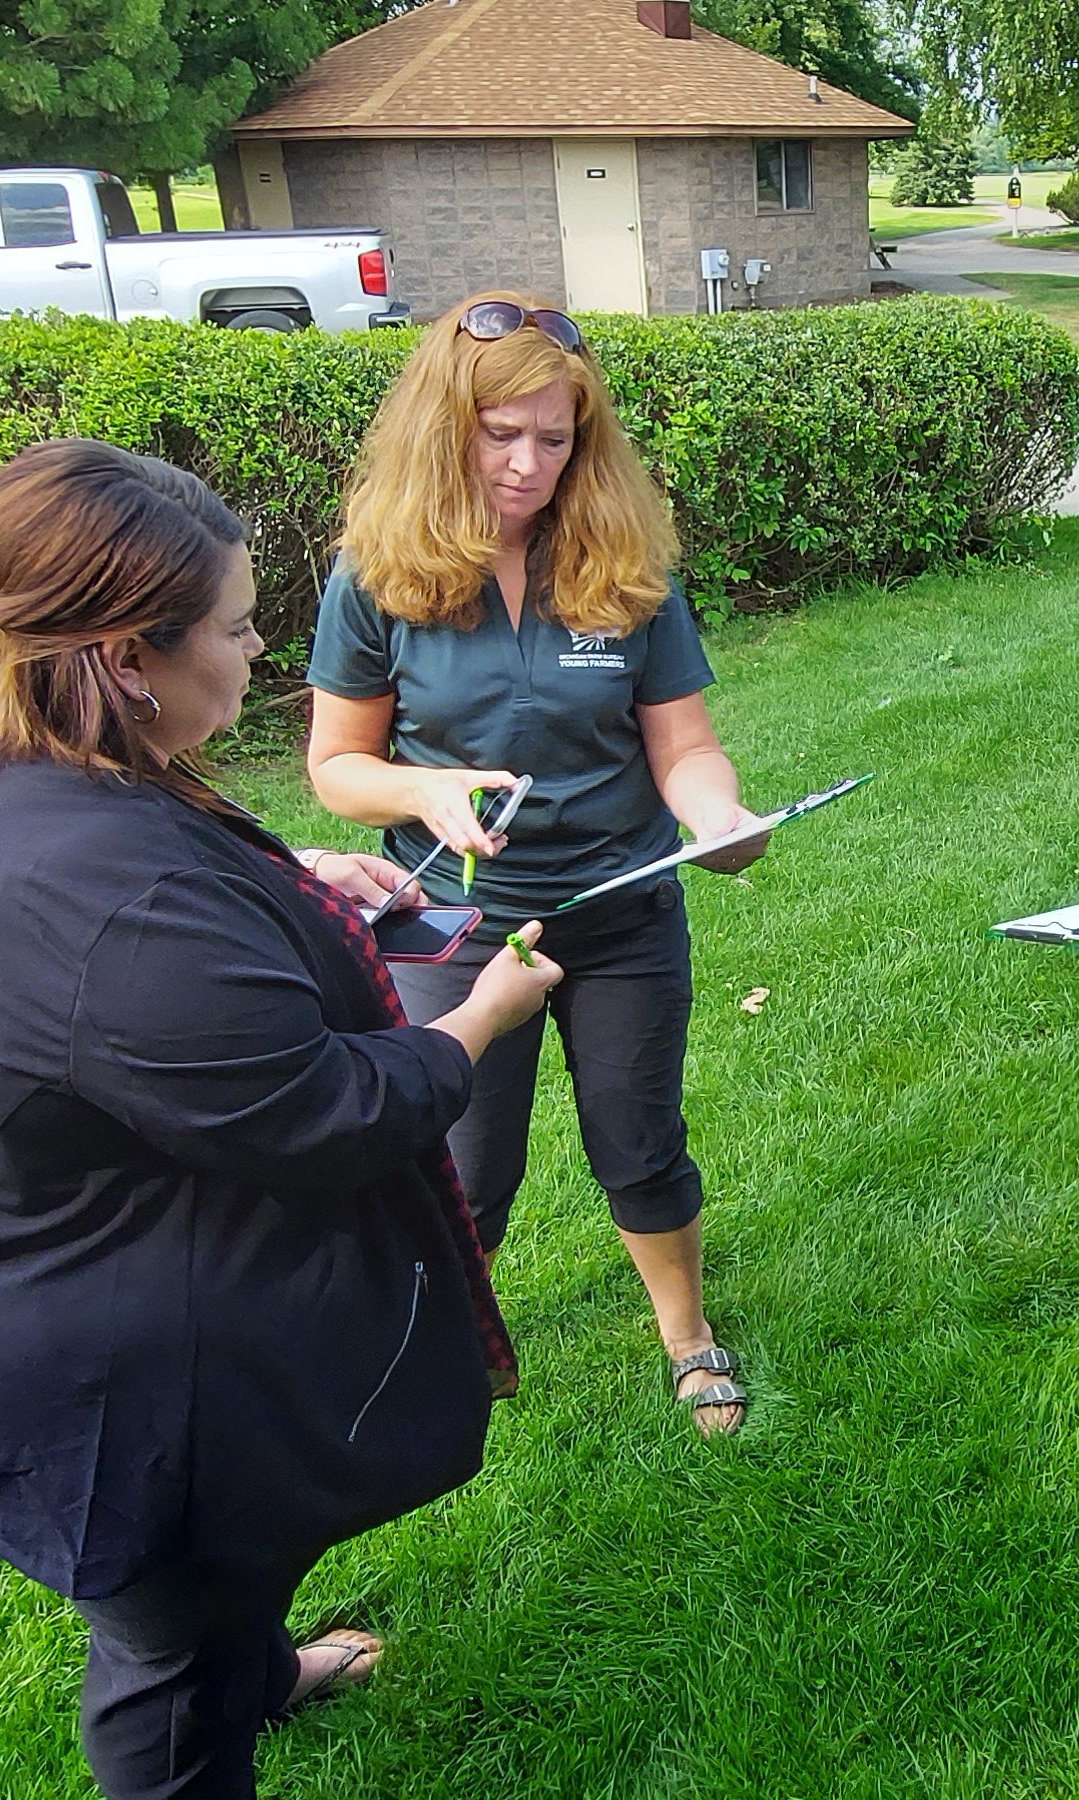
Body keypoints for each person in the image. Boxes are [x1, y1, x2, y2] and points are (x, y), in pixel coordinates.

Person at [0, 439, 563, 1800]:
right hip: (94, 1376)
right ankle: (208, 1694)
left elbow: (118, 947)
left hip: (30, 1280)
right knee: (164, 1666)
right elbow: (328, 1113)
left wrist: (292, 878)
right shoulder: (105, 889)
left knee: (208, 1606)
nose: (255, 655)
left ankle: (255, 1661)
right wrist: (481, 1017)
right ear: (126, 654)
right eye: (236, 630)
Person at [306, 293, 766, 1436]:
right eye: (498, 434)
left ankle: (687, 1337)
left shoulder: (619, 566)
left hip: (617, 910)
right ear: (442, 428)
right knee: (461, 1169)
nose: (526, 464)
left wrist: (717, 818)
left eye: (553, 439)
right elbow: (337, 766)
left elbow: (684, 744)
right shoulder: (376, 577)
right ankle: (448, 1343)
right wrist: (423, 791)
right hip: (455, 932)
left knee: (638, 1139)